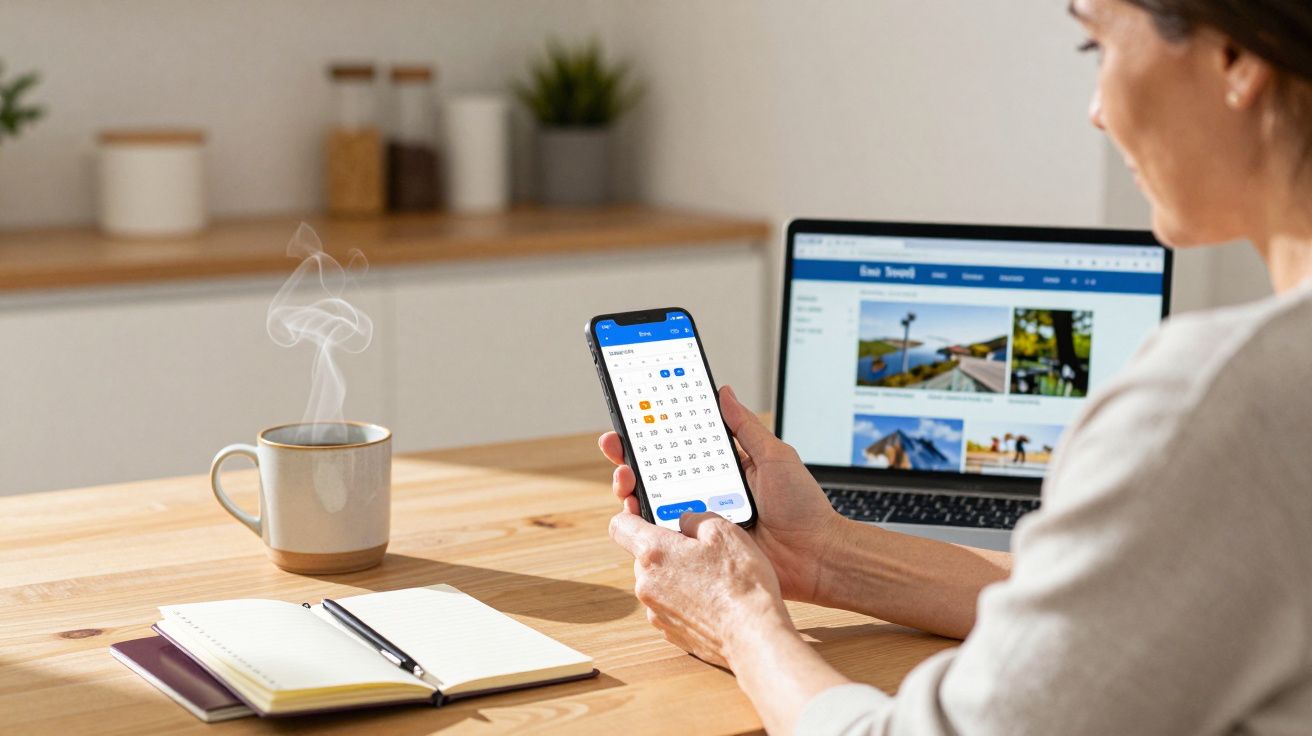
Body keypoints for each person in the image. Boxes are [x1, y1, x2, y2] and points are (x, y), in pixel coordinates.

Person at [597, 0, 1312, 733]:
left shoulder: (1216, 401)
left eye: (1093, 47)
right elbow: (1116, 606)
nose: (1097, 111)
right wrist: (825, 556)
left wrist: (740, 623)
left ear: (1235, 58)